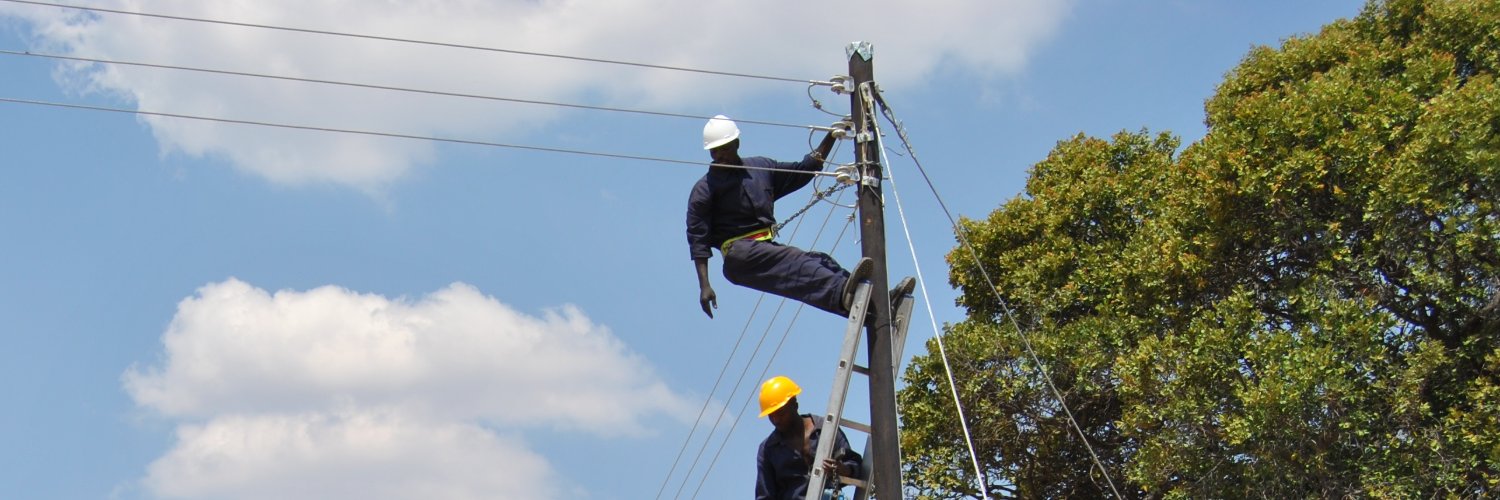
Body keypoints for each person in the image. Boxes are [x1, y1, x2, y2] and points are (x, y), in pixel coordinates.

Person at [686, 114, 873, 318]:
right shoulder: (704, 189)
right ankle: (845, 293)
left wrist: (832, 136)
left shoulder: (761, 168)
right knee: (800, 264)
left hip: (763, 247)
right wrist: (704, 285)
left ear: (736, 143)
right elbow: (698, 239)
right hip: (739, 254)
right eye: (715, 151)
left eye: (725, 148)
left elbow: (805, 169)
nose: (720, 155)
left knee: (820, 261)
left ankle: (870, 304)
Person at [755, 375, 862, 500]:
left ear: (795, 404)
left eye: (780, 413)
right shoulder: (768, 449)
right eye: (771, 416)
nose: (776, 420)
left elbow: (856, 466)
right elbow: (765, 496)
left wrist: (843, 470)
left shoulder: (825, 430)